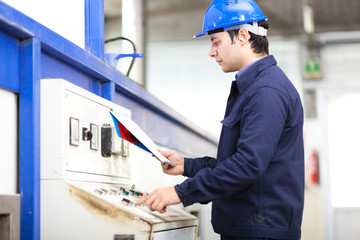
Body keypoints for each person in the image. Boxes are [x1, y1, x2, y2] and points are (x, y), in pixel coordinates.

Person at [136, 0, 304, 239]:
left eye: (216, 42)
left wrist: (179, 193)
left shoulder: (266, 91)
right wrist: (188, 165)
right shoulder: (253, 87)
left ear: (243, 35)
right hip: (252, 228)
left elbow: (247, 166)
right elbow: (239, 162)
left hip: (260, 231)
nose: (211, 51)